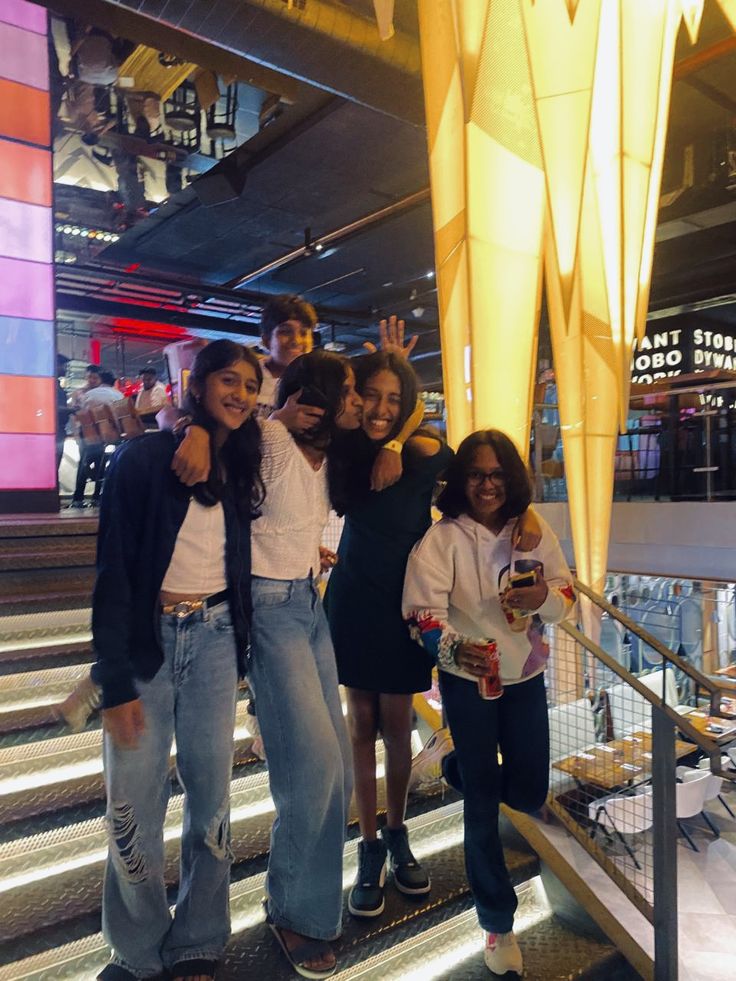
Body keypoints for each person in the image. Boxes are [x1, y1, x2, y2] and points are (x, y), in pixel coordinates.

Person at [172, 349, 364, 980]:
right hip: (268, 607)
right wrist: (201, 425)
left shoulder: (329, 454)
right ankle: (290, 909)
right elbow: (218, 430)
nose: (358, 404)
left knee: (334, 771)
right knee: (312, 768)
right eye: (351, 393)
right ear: (318, 396)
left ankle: (306, 906)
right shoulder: (275, 438)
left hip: (310, 605)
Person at [92, 339, 263, 981]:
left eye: (251, 384)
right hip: (147, 645)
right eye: (229, 380)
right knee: (132, 804)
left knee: (211, 798)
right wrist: (113, 680)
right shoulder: (142, 461)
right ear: (199, 384)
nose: (241, 394)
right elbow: (113, 573)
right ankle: (137, 948)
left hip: (217, 638)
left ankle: (198, 936)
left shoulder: (245, 463)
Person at [402, 429, 574, 977]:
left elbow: (567, 595)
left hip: (525, 676)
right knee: (481, 804)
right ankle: (497, 923)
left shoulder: (533, 529)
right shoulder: (443, 538)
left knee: (528, 789)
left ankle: (453, 764)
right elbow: (421, 611)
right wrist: (452, 648)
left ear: (513, 477)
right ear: (460, 479)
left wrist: (544, 597)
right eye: (476, 473)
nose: (487, 485)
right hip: (467, 683)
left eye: (497, 474)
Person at [69, 368, 124, 508]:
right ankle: (97, 497)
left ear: (100, 380)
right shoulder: (119, 395)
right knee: (105, 461)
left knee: (84, 463)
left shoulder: (88, 395)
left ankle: (78, 499)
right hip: (112, 438)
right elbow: (122, 419)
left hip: (90, 438)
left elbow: (79, 415)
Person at [256, 294, 316, 417]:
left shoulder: (317, 383)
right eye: (286, 332)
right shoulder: (249, 377)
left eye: (304, 333)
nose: (296, 340)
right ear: (267, 340)